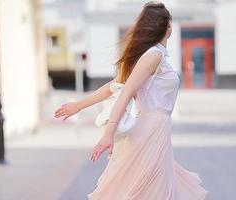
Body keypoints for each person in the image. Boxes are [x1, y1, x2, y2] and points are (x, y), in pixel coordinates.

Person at [54, 1, 208, 199]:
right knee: (148, 191)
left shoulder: (154, 56)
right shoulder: (155, 55)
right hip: (150, 130)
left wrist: (78, 106)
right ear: (167, 25)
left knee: (151, 190)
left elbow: (113, 87)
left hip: (157, 131)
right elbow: (124, 92)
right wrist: (108, 132)